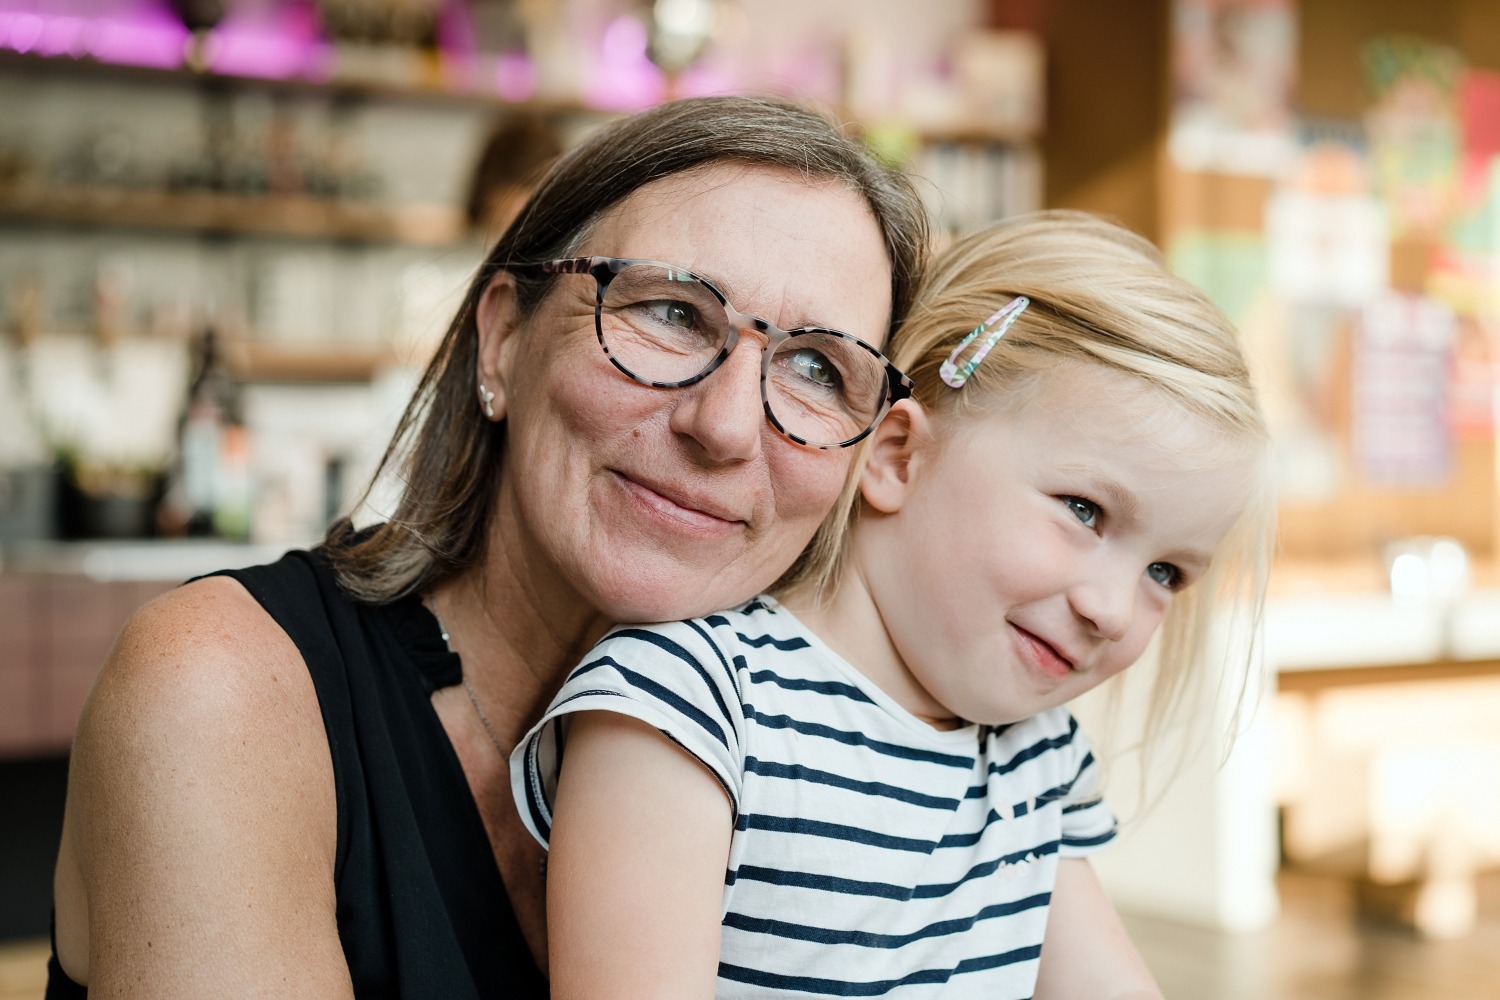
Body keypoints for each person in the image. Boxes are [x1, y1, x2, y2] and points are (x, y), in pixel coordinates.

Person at [46, 94, 929, 998]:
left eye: (819, 369)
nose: (729, 425)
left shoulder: (837, 792)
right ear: (504, 338)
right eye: (670, 312)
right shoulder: (223, 687)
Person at [512, 210, 1275, 999]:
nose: (1114, 611)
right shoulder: (692, 704)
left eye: (1167, 574)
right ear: (899, 455)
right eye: (1084, 511)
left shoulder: (1034, 758)